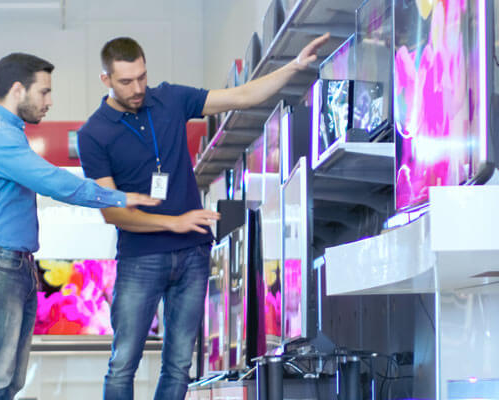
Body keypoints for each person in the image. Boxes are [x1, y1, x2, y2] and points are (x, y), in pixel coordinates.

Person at [77, 34, 331, 400]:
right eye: (126, 82)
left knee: (179, 364)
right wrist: (172, 221)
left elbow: (243, 96)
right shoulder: (93, 134)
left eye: (142, 77)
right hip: (140, 259)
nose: (137, 88)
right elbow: (112, 212)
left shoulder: (170, 99)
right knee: (123, 363)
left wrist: (293, 67)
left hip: (193, 254)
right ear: (106, 80)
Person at [0, 52, 161, 400]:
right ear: (18, 90)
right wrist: (119, 197)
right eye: (44, 92)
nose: (49, 102)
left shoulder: (9, 134)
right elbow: (54, 181)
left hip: (13, 263)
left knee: (9, 381)